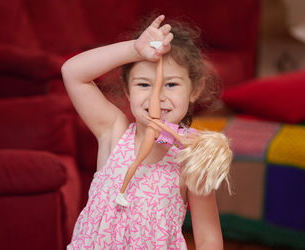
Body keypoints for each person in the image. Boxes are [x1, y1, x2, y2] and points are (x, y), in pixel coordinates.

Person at [62, 14, 226, 249]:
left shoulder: (191, 158)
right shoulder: (113, 131)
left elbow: (208, 234)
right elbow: (72, 72)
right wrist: (135, 50)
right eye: (143, 84)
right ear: (127, 91)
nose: (157, 97)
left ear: (194, 90)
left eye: (171, 84)